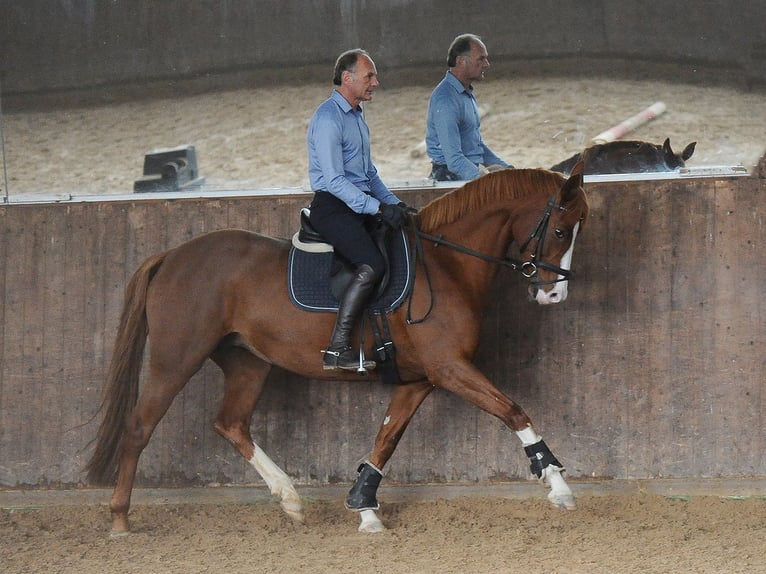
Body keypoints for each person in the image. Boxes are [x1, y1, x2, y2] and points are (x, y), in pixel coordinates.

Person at [307, 48, 410, 371]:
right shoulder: (328, 119)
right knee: (372, 264)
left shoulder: (356, 117)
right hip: (334, 207)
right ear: (347, 78)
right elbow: (336, 181)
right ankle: (337, 349)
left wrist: (395, 205)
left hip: (357, 203)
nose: (376, 83)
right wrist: (377, 209)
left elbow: (369, 175)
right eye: (370, 76)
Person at [425, 33, 512, 181]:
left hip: (463, 172)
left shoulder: (464, 94)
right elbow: (454, 160)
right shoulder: (446, 99)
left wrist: (508, 170)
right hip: (449, 178)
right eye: (481, 59)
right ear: (461, 61)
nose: (486, 64)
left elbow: (476, 146)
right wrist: (485, 179)